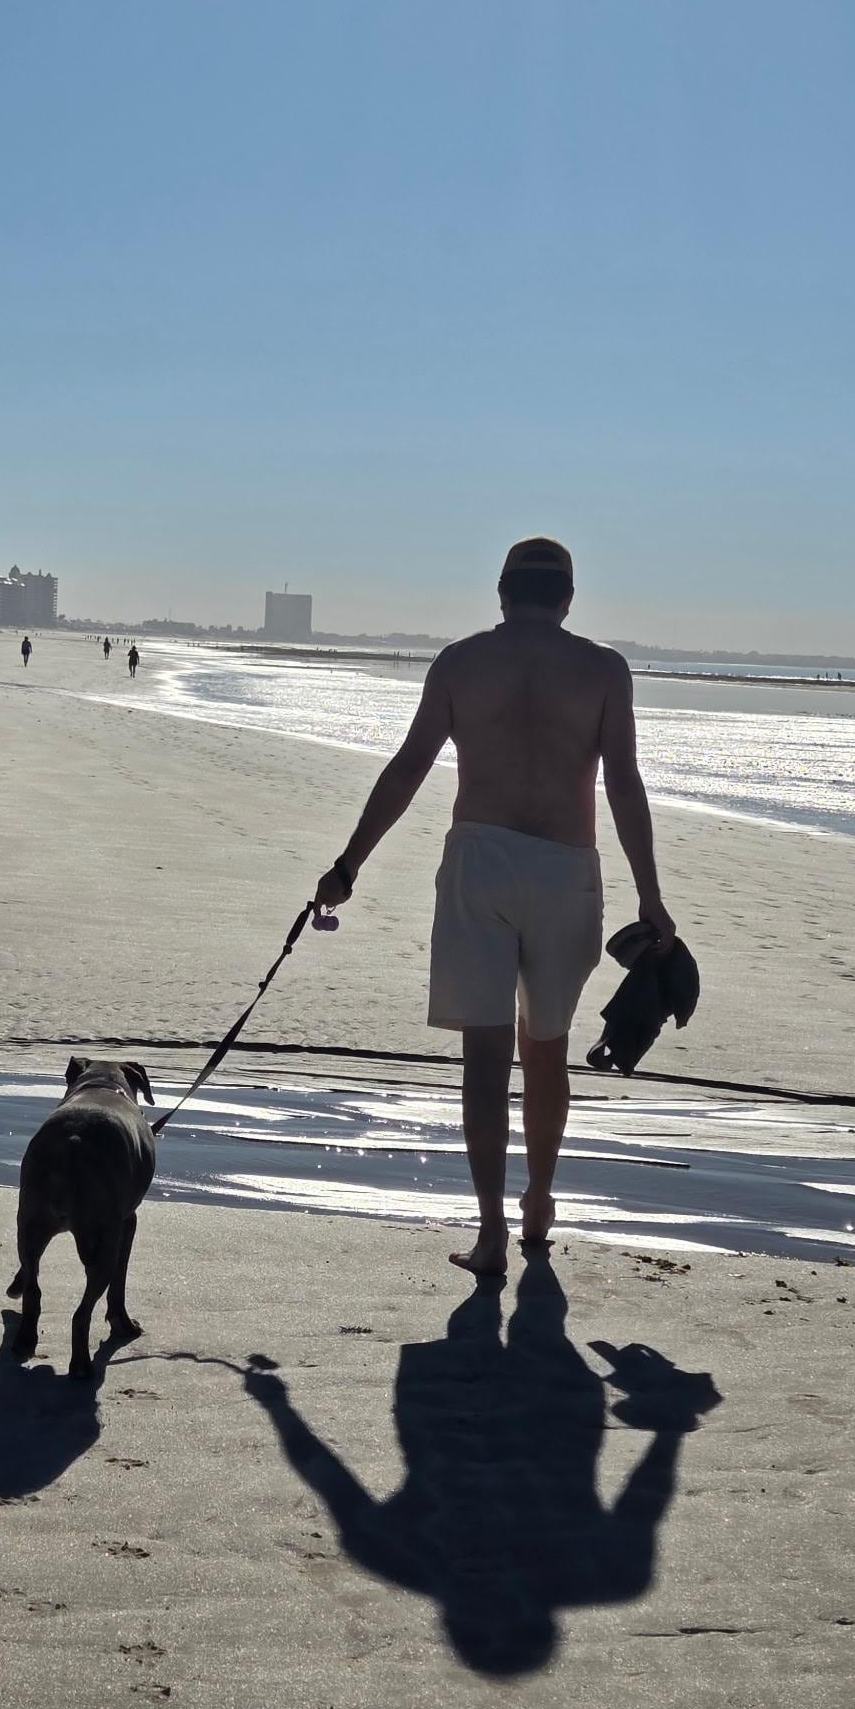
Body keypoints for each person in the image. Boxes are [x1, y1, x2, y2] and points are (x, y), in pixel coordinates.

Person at [314, 536, 675, 1278]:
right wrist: (650, 896)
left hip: (479, 860)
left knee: (485, 1060)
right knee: (545, 1048)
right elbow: (623, 784)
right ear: (567, 598)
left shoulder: (460, 663)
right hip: (566, 867)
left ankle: (489, 1233)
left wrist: (350, 864)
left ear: (502, 593)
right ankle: (538, 1201)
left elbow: (411, 766)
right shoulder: (603, 669)